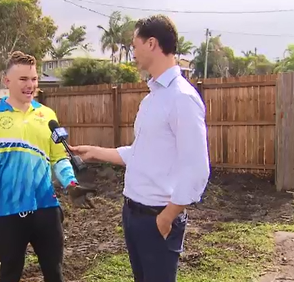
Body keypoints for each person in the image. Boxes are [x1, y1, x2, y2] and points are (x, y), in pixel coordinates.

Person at [69, 15, 210, 282]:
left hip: (157, 219)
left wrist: (167, 217)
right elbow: (140, 154)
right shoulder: (152, 99)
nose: (132, 52)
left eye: (135, 45)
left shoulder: (182, 98)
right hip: (132, 214)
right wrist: (95, 152)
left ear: (152, 44)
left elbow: (197, 168)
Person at [0, 51, 95, 282]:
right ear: (7, 81)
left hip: (46, 209)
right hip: (8, 212)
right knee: (9, 274)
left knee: (55, 274)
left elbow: (59, 158)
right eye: (23, 79)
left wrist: (71, 184)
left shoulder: (47, 115)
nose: (31, 85)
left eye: (34, 79)